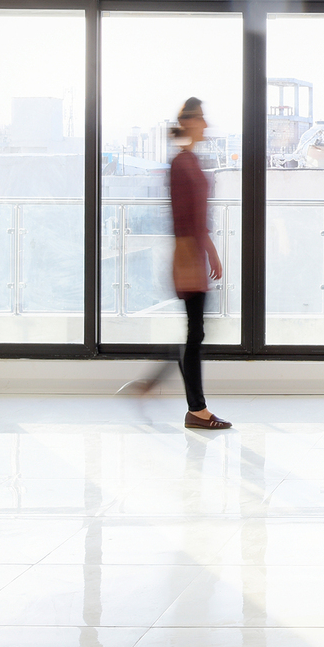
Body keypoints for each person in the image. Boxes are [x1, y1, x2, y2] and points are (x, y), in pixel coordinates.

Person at [122, 97, 231, 429]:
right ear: (189, 123)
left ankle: (154, 387)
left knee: (195, 332)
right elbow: (186, 219)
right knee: (196, 333)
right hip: (187, 256)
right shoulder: (182, 164)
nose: (207, 124)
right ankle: (196, 410)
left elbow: (198, 217)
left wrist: (209, 251)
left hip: (192, 254)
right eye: (202, 118)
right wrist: (205, 253)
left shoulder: (190, 161)